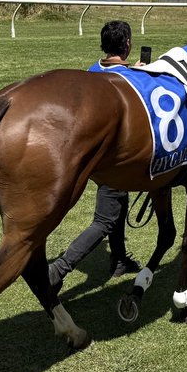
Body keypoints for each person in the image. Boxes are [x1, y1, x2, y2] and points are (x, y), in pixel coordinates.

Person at [47, 20, 141, 294]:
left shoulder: (92, 71)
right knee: (105, 220)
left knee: (118, 204)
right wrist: (138, 72)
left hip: (92, 159)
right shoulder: (130, 78)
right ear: (127, 45)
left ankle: (119, 259)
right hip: (113, 156)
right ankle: (58, 270)